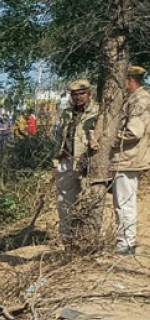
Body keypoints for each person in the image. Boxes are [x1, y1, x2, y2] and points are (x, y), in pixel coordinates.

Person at [108, 65, 150, 255]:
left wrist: (108, 139)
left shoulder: (140, 100)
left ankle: (126, 244)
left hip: (129, 157)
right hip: (125, 157)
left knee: (124, 203)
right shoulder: (134, 99)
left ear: (130, 80)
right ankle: (125, 241)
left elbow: (134, 132)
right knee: (123, 202)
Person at [52, 79, 98, 241]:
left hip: (87, 163)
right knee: (63, 202)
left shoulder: (97, 112)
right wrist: (57, 158)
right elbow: (60, 136)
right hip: (66, 161)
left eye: (81, 94)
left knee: (89, 201)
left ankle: (88, 238)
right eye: (75, 94)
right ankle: (65, 237)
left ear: (89, 94)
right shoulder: (67, 113)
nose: (78, 97)